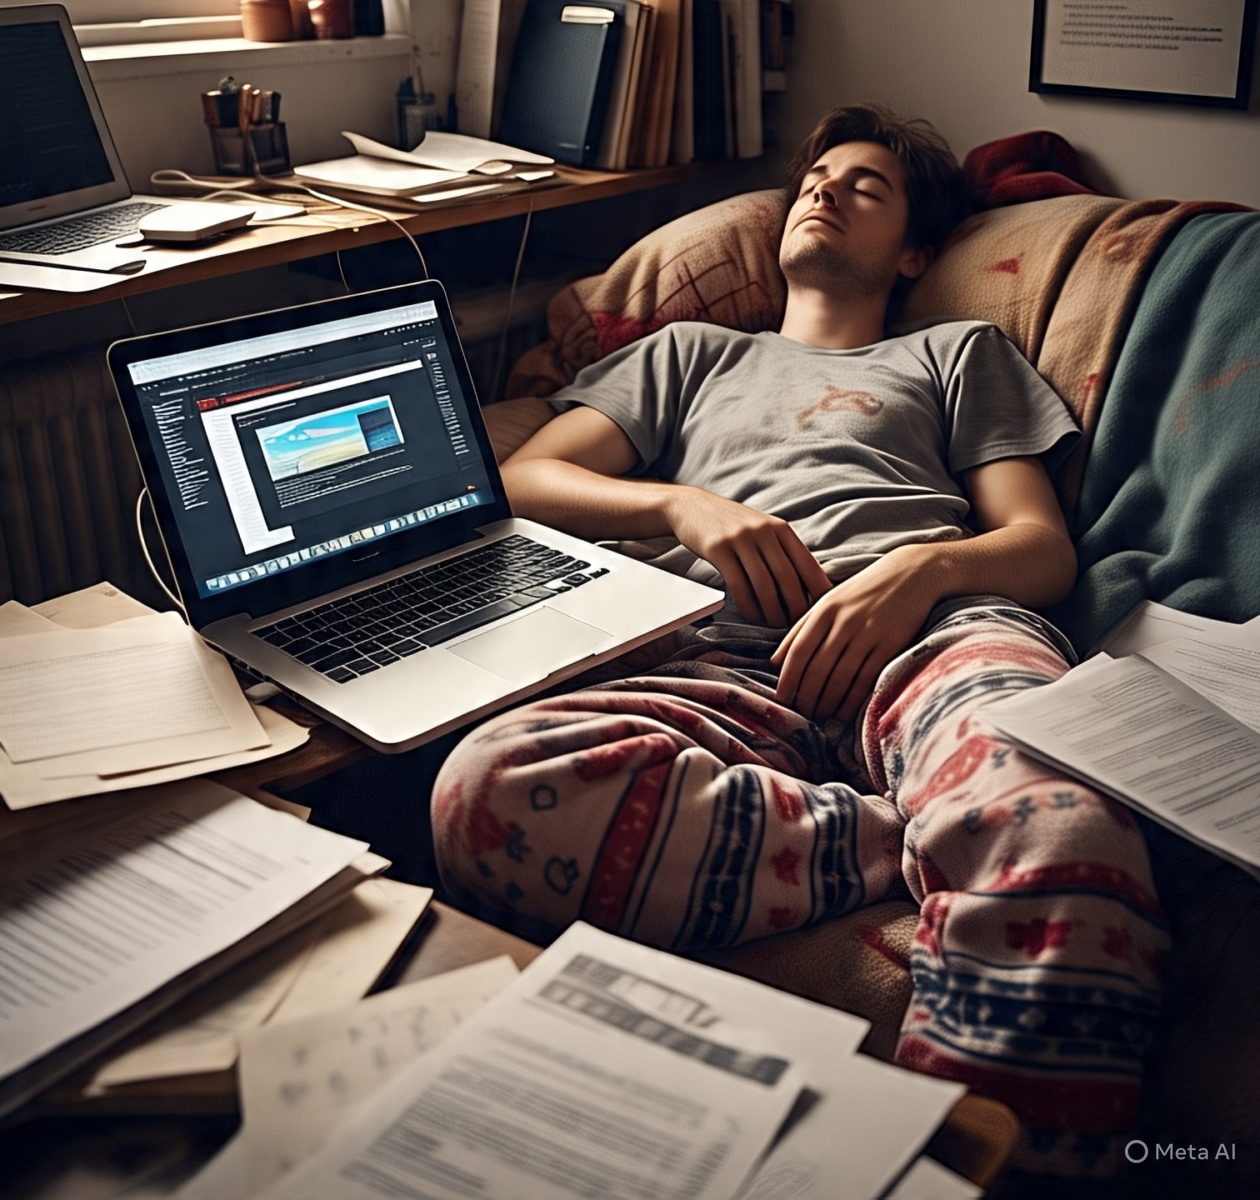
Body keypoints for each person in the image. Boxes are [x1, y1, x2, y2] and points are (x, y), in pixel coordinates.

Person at [431, 104, 1165, 1190]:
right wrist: (681, 507)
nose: (822, 189)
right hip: (716, 657)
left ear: (914, 251)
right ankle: (912, 833)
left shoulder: (953, 351)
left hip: (930, 635)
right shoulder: (689, 354)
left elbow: (1038, 546)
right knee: (483, 791)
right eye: (814, 176)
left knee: (1064, 838)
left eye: (862, 185)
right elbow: (528, 474)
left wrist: (919, 569)